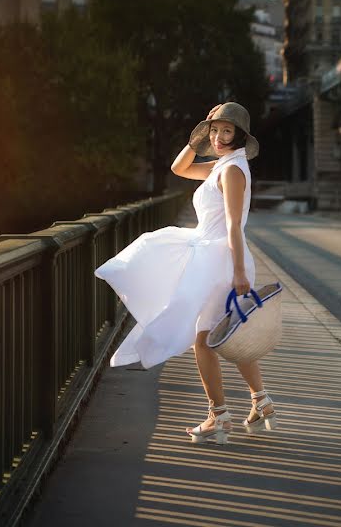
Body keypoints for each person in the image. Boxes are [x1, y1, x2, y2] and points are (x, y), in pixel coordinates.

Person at [94, 102, 277, 445]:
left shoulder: (233, 170)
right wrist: (198, 136)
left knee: (204, 340)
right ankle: (260, 400)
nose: (219, 138)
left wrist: (239, 273)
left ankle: (218, 415)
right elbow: (180, 168)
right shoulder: (223, 165)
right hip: (213, 256)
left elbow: (235, 225)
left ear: (239, 136)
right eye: (215, 130)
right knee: (231, 334)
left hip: (221, 258)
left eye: (227, 131)